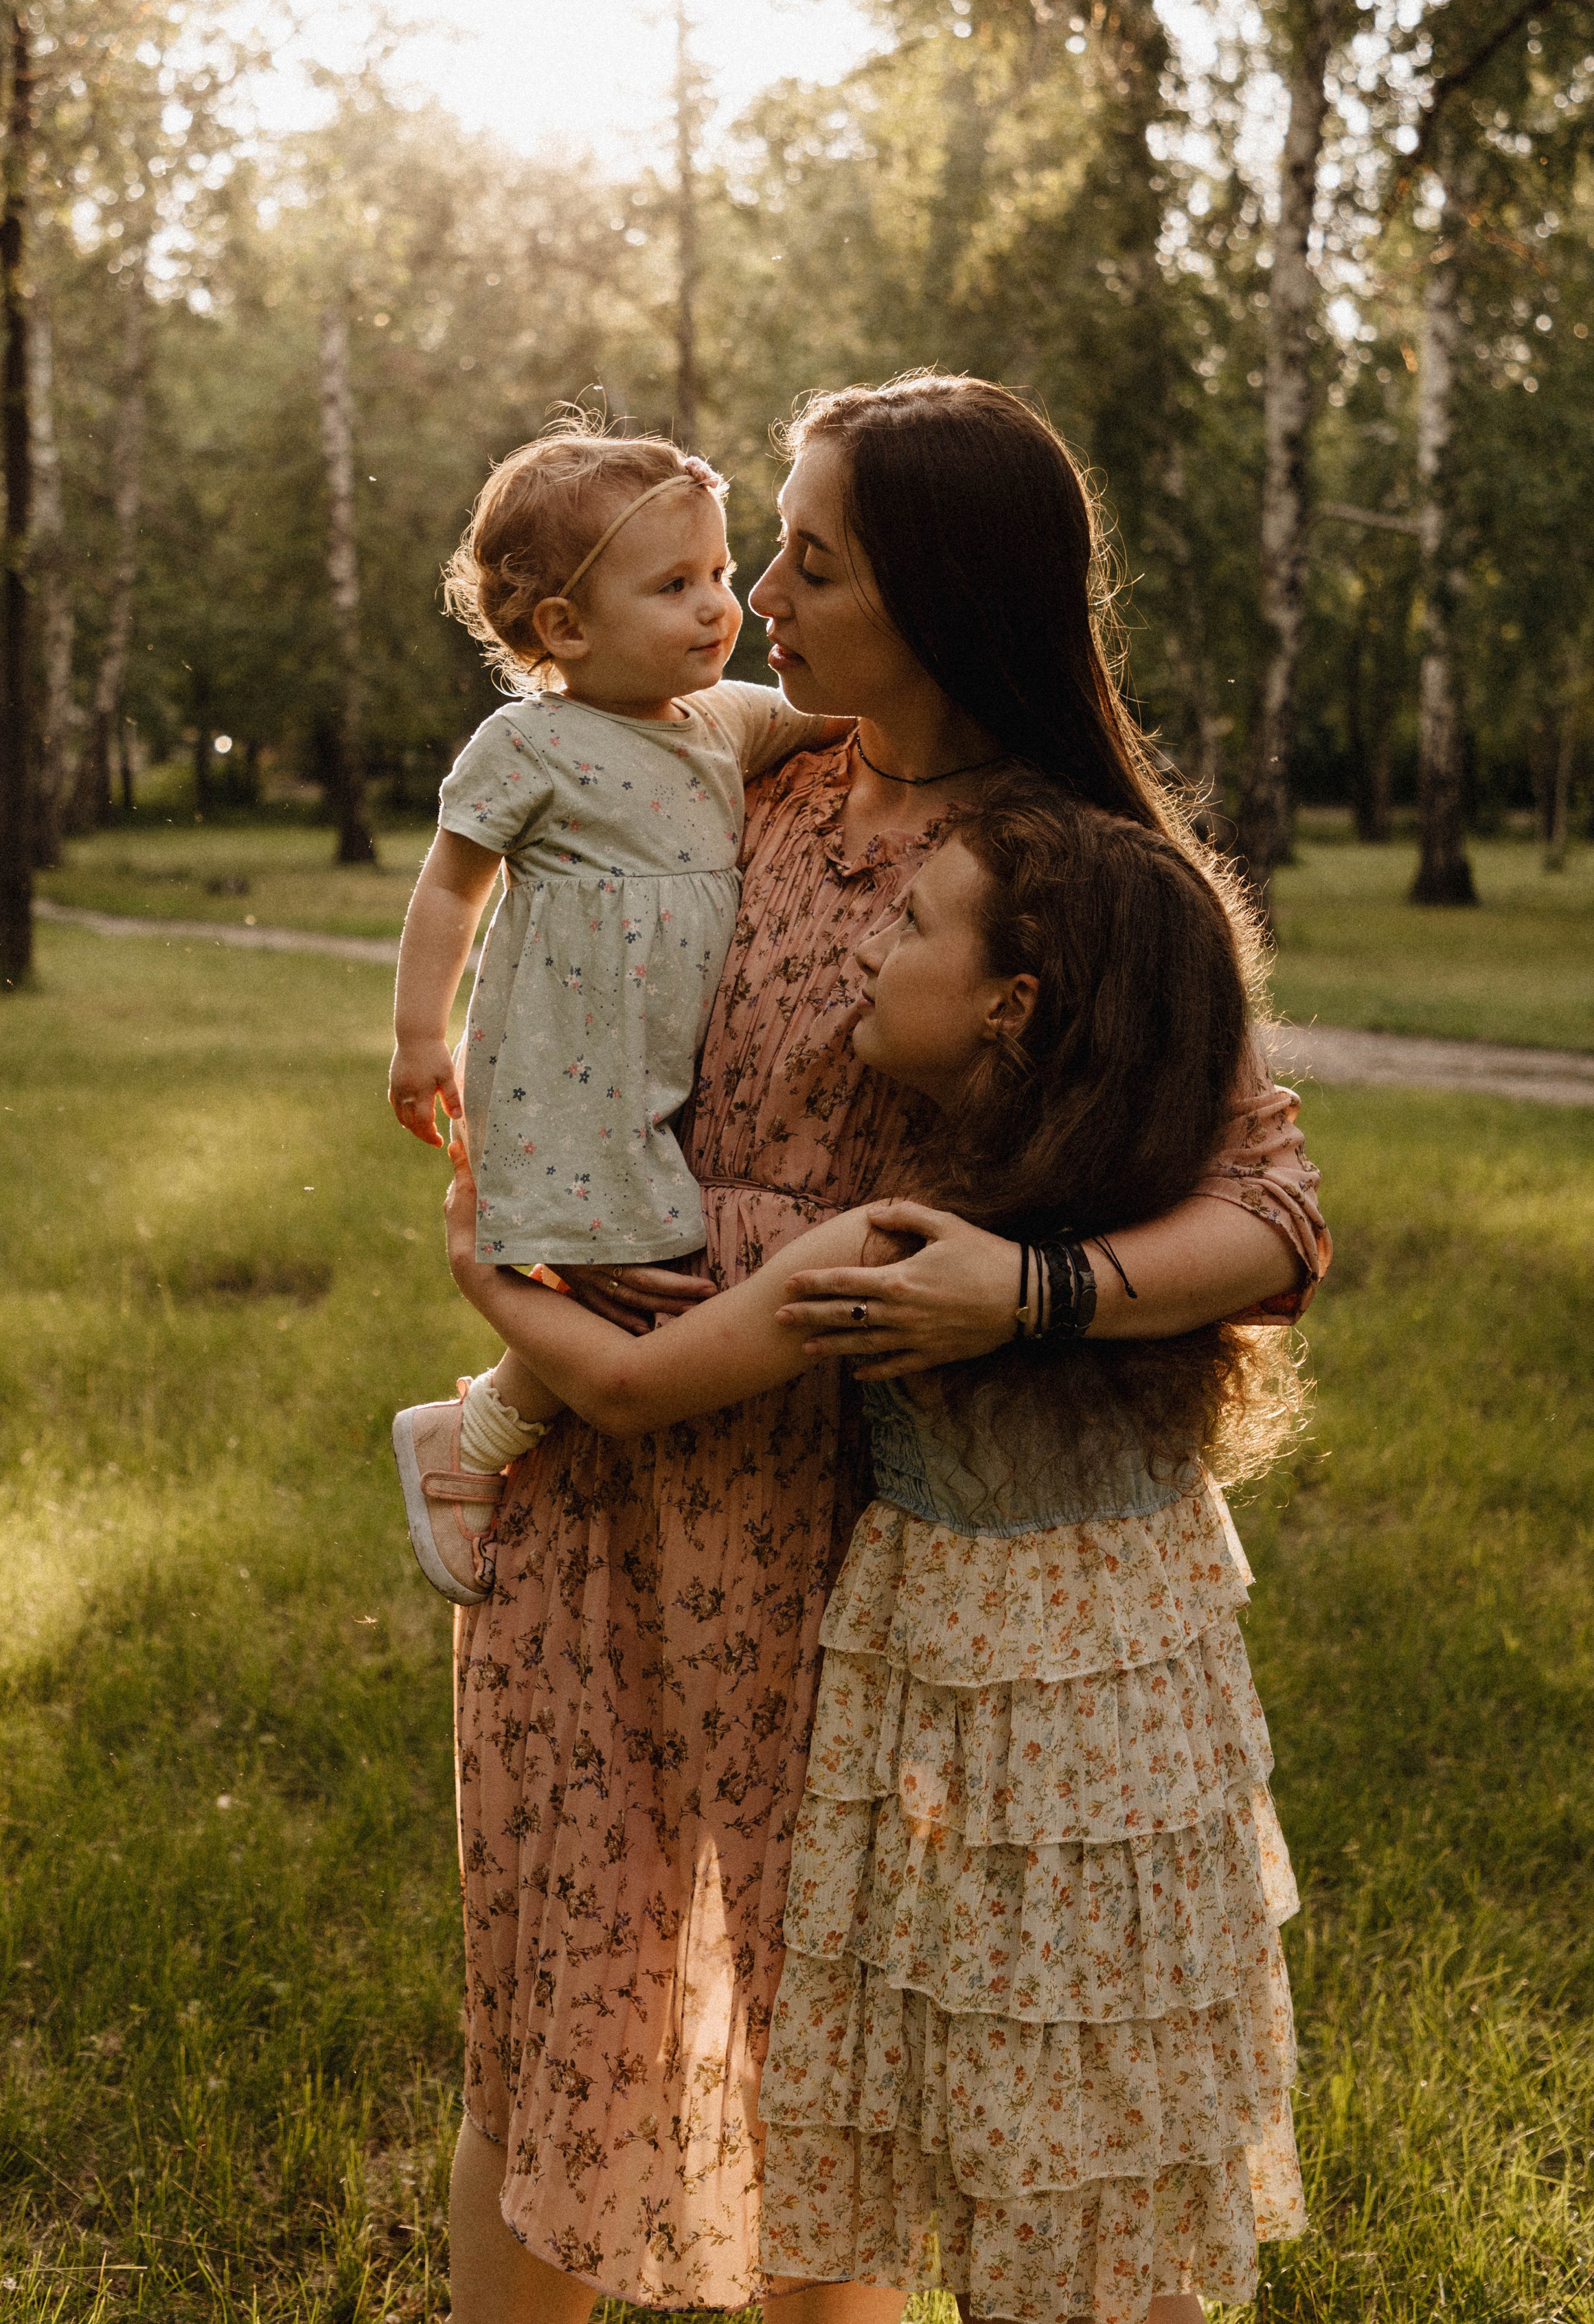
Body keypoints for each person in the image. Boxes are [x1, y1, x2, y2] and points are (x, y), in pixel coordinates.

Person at [434, 373, 1330, 2324]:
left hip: (854, 1553)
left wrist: (1027, 1294)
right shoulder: (732, 773)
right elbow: (543, 1046)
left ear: (940, 592)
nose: (759, 595)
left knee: (807, 2056)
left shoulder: (1078, 874)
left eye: (812, 561)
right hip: (601, 1499)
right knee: (552, 2016)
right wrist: (519, 1297)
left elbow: (1274, 1220)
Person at [385, 417, 843, 1598]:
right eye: (676, 586)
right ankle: (475, 1440)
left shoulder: (722, 723)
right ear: (567, 629)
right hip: (567, 1061)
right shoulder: (529, 745)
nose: (718, 608)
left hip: (661, 1068)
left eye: (722, 576)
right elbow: (449, 890)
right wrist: (417, 1037)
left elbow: (847, 717)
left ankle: (493, 1431)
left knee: (646, 1268)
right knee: (639, 1270)